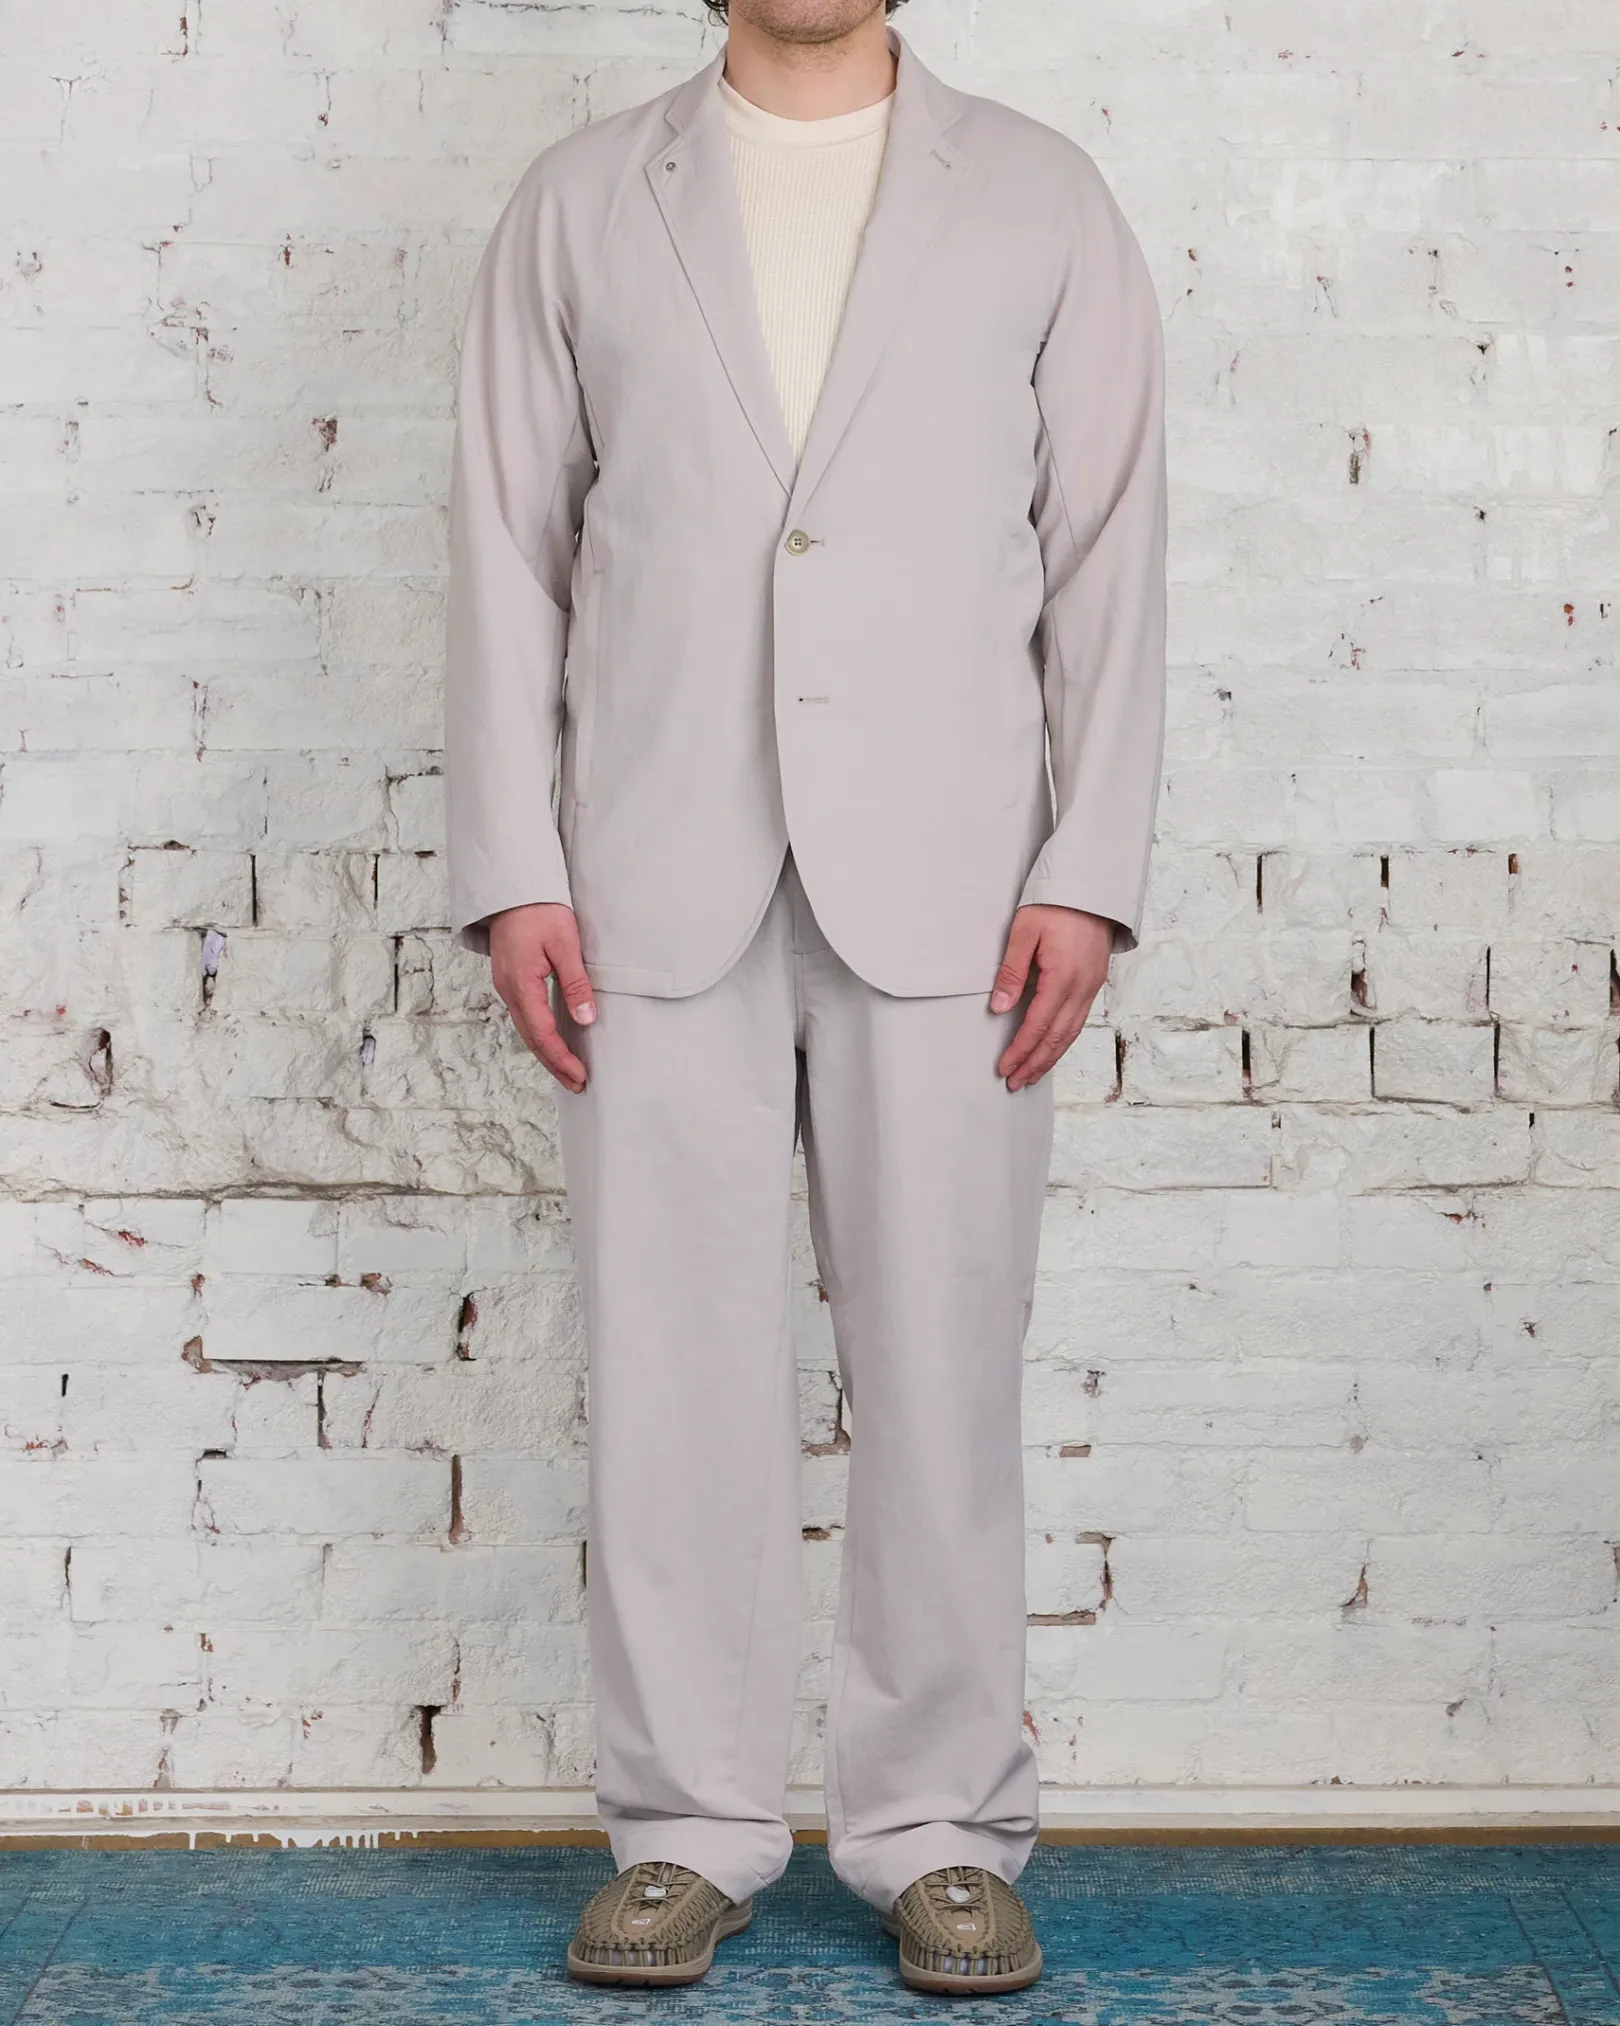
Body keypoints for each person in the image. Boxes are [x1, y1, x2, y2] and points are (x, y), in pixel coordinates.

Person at [443, 0, 1166, 1996]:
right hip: (648, 868)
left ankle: (941, 1824)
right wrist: (513, 861)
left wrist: (1089, 865)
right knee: (670, 1359)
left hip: (956, 881)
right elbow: (505, 544)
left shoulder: (1043, 200)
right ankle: (685, 1825)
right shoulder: (581, 203)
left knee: (944, 1358)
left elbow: (1110, 547)